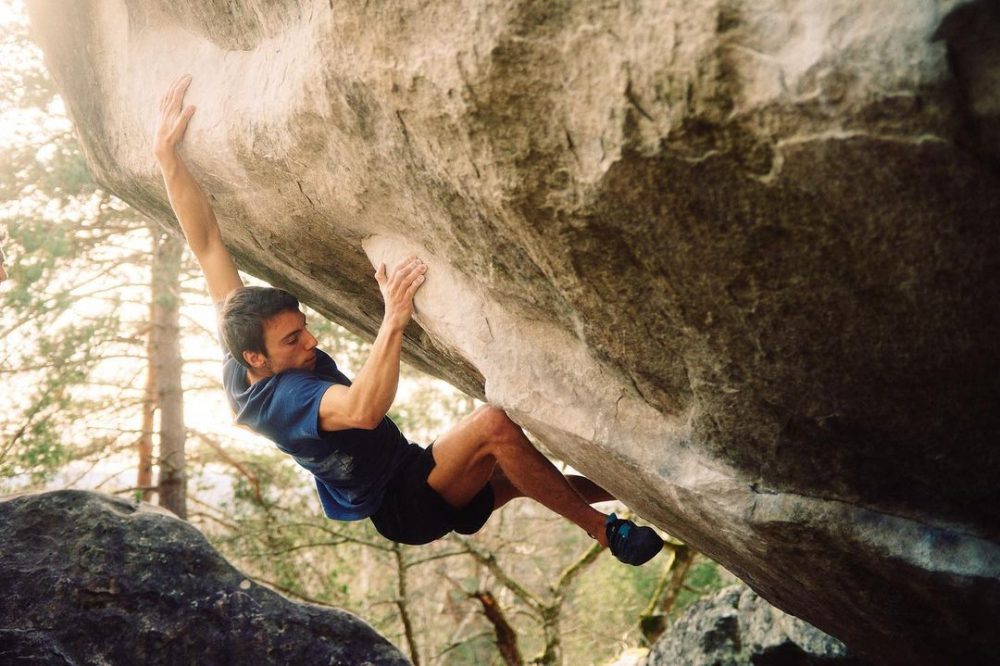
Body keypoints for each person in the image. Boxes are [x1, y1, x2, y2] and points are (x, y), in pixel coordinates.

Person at [153, 74, 663, 565]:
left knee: (526, 477)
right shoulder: (286, 400)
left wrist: (167, 160)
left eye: (303, 325)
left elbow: (207, 245)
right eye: (293, 339)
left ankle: (650, 492)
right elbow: (362, 410)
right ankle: (606, 532)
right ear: (256, 358)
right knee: (494, 427)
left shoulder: (242, 343)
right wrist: (393, 317)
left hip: (414, 473)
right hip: (406, 501)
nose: (310, 340)